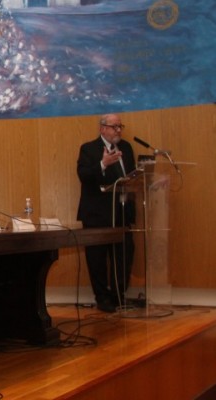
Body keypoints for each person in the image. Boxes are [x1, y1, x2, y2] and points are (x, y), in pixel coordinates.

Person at [77, 114, 136, 313]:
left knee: (124, 256)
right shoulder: (88, 148)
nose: (118, 130)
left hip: (122, 212)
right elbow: (83, 176)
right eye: (114, 127)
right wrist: (103, 164)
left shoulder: (126, 148)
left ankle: (119, 296)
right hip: (97, 214)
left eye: (120, 126)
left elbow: (131, 177)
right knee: (97, 259)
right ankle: (102, 298)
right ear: (103, 128)